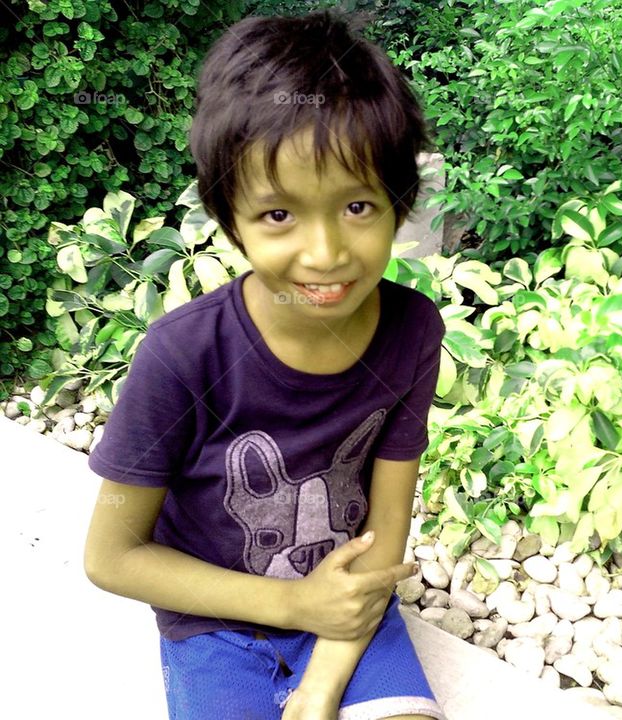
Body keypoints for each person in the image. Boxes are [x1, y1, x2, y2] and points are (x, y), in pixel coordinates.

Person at [83, 10, 446, 720]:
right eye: (279, 215)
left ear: (400, 207)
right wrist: (291, 602)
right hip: (214, 619)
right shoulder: (182, 355)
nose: (325, 252)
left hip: (349, 605)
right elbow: (112, 556)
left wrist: (322, 683)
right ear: (229, 221)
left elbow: (385, 526)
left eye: (358, 205)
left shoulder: (412, 331)